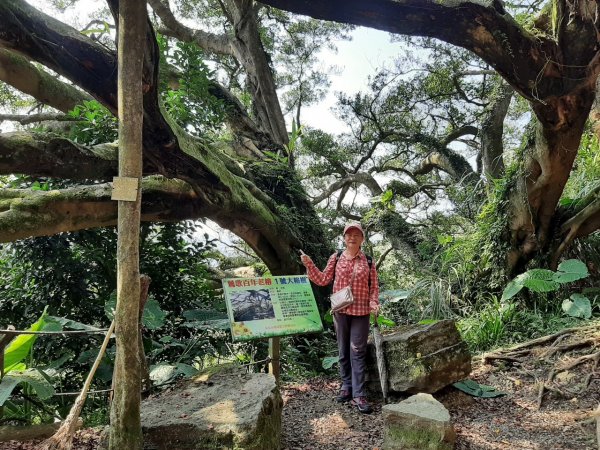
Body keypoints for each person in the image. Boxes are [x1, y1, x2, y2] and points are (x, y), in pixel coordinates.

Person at [300, 221, 379, 414]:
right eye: (348, 234)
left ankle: (359, 394)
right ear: (344, 237)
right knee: (343, 350)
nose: (352, 237)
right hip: (340, 311)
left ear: (362, 238)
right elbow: (323, 279)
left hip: (361, 312)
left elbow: (374, 287)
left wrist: (374, 303)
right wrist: (308, 263)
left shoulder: (368, 261)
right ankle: (346, 386)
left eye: (356, 234)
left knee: (357, 351)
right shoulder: (336, 258)